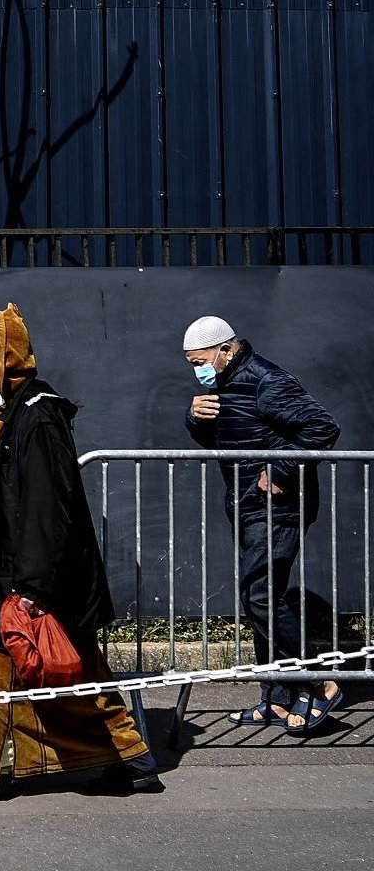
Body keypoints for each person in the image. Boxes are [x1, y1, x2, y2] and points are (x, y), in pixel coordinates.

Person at [0, 302, 161, 802]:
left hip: (26, 578)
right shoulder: (8, 414)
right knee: (84, 674)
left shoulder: (37, 417)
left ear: (5, 357)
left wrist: (29, 588)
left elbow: (48, 510)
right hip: (27, 575)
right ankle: (134, 762)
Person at [182, 314, 342, 734]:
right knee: (257, 597)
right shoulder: (224, 382)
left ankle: (320, 683)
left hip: (279, 506)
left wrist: (282, 469)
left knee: (260, 595)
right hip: (248, 503)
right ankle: (277, 697)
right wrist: (196, 419)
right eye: (191, 363)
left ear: (226, 350)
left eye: (201, 360)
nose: (197, 370)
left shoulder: (266, 379)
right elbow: (226, 439)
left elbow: (323, 427)